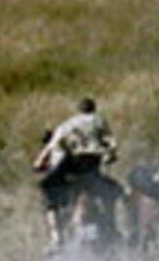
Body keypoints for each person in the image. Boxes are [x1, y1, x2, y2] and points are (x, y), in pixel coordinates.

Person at [32, 96, 119, 252]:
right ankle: (112, 229)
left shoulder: (69, 124)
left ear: (79, 109)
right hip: (93, 165)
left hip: (75, 164)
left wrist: (38, 163)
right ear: (94, 108)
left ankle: (56, 238)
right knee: (112, 189)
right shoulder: (100, 121)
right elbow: (111, 143)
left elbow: (52, 145)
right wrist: (109, 156)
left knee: (46, 187)